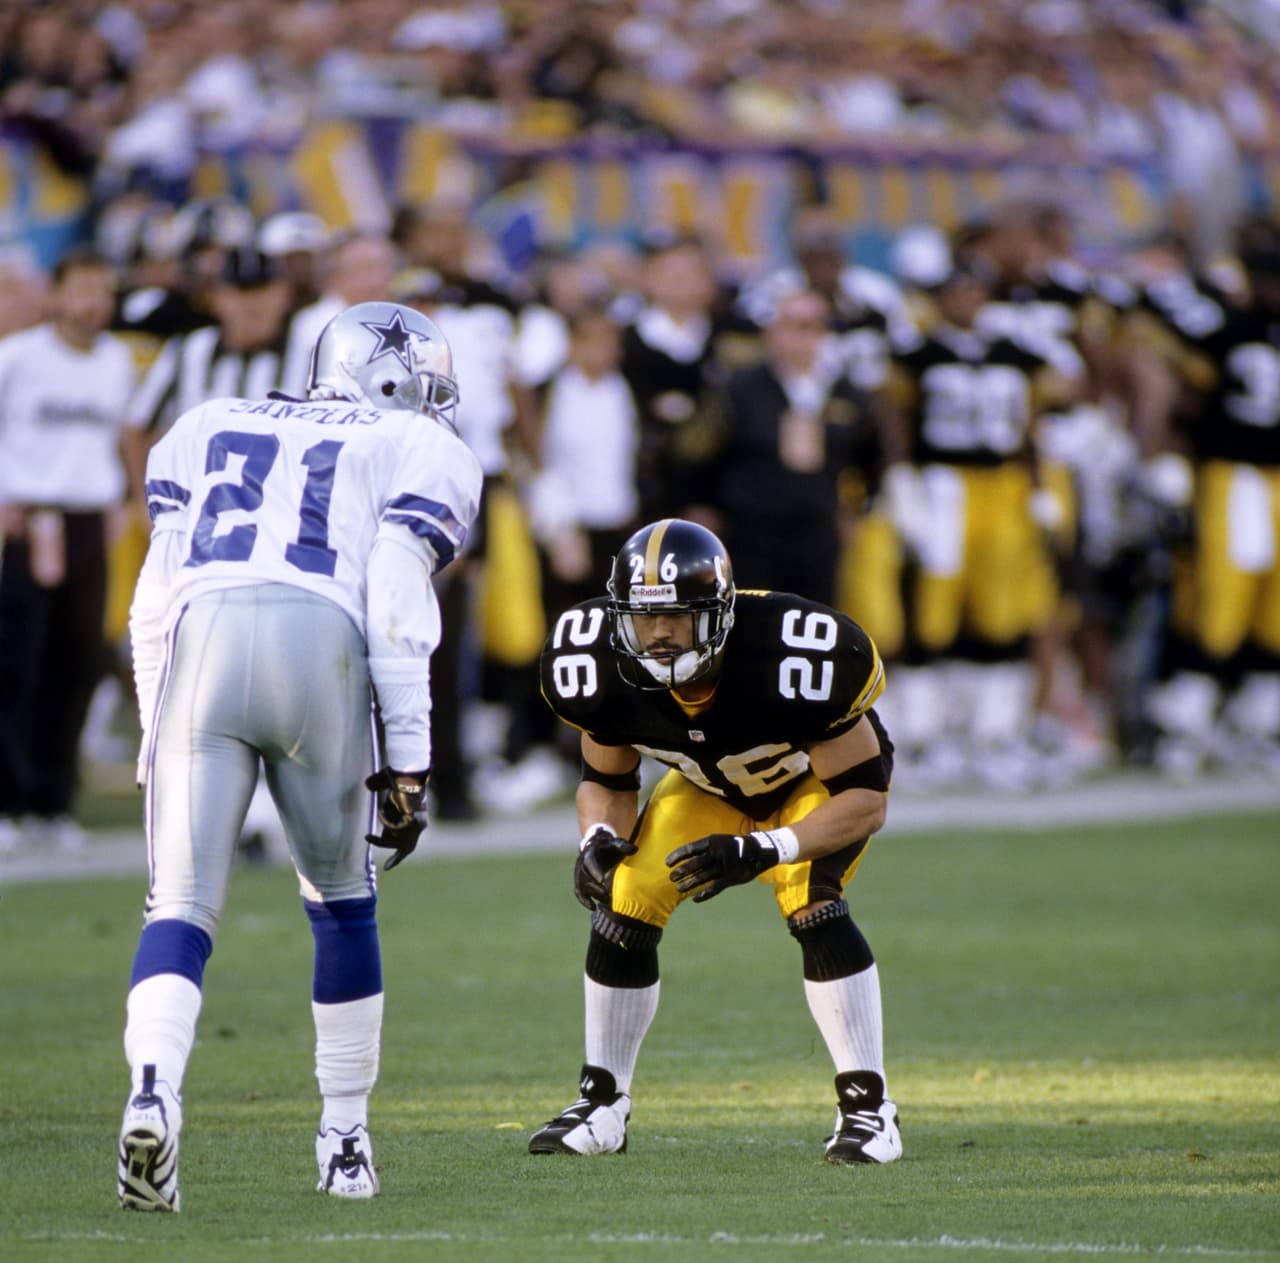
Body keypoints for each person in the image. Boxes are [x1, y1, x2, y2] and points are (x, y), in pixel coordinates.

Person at [115, 301, 482, 1210]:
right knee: (343, 901)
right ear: (391, 380)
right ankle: (344, 1137)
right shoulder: (417, 447)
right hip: (319, 651)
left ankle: (153, 1092)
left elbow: (150, 598)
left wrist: (150, 729)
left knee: (179, 905)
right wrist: (410, 762)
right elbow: (396, 601)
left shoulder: (208, 422)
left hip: (199, 652)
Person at [530, 517, 902, 1165]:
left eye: (677, 615)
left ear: (719, 613)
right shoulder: (600, 665)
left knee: (807, 893)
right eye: (645, 619)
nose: (661, 634)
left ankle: (869, 1110)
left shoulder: (792, 652)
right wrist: (596, 836)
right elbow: (604, 777)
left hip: (810, 785)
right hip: (709, 787)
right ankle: (602, 1102)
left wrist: (766, 849)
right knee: (627, 893)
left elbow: (865, 798)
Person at [0, 247, 139, 854]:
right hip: (27, 520)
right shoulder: (18, 357)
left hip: (89, 520)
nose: (93, 302)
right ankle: (7, 800)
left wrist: (131, 498)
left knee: (79, 662)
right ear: (56, 293)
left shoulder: (115, 362)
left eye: (102, 289)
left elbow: (123, 434)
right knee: (14, 663)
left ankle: (54, 802)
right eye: (82, 287)